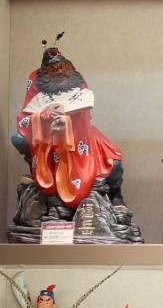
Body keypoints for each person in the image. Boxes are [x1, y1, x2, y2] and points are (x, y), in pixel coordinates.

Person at [11, 39, 125, 214]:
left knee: (113, 160)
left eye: (62, 67)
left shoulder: (77, 81)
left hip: (78, 131)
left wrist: (67, 118)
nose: (59, 71)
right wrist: (43, 116)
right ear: (45, 73)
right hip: (46, 133)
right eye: (53, 69)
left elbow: (86, 111)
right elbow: (26, 116)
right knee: (18, 139)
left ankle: (116, 195)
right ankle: (39, 174)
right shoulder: (35, 81)